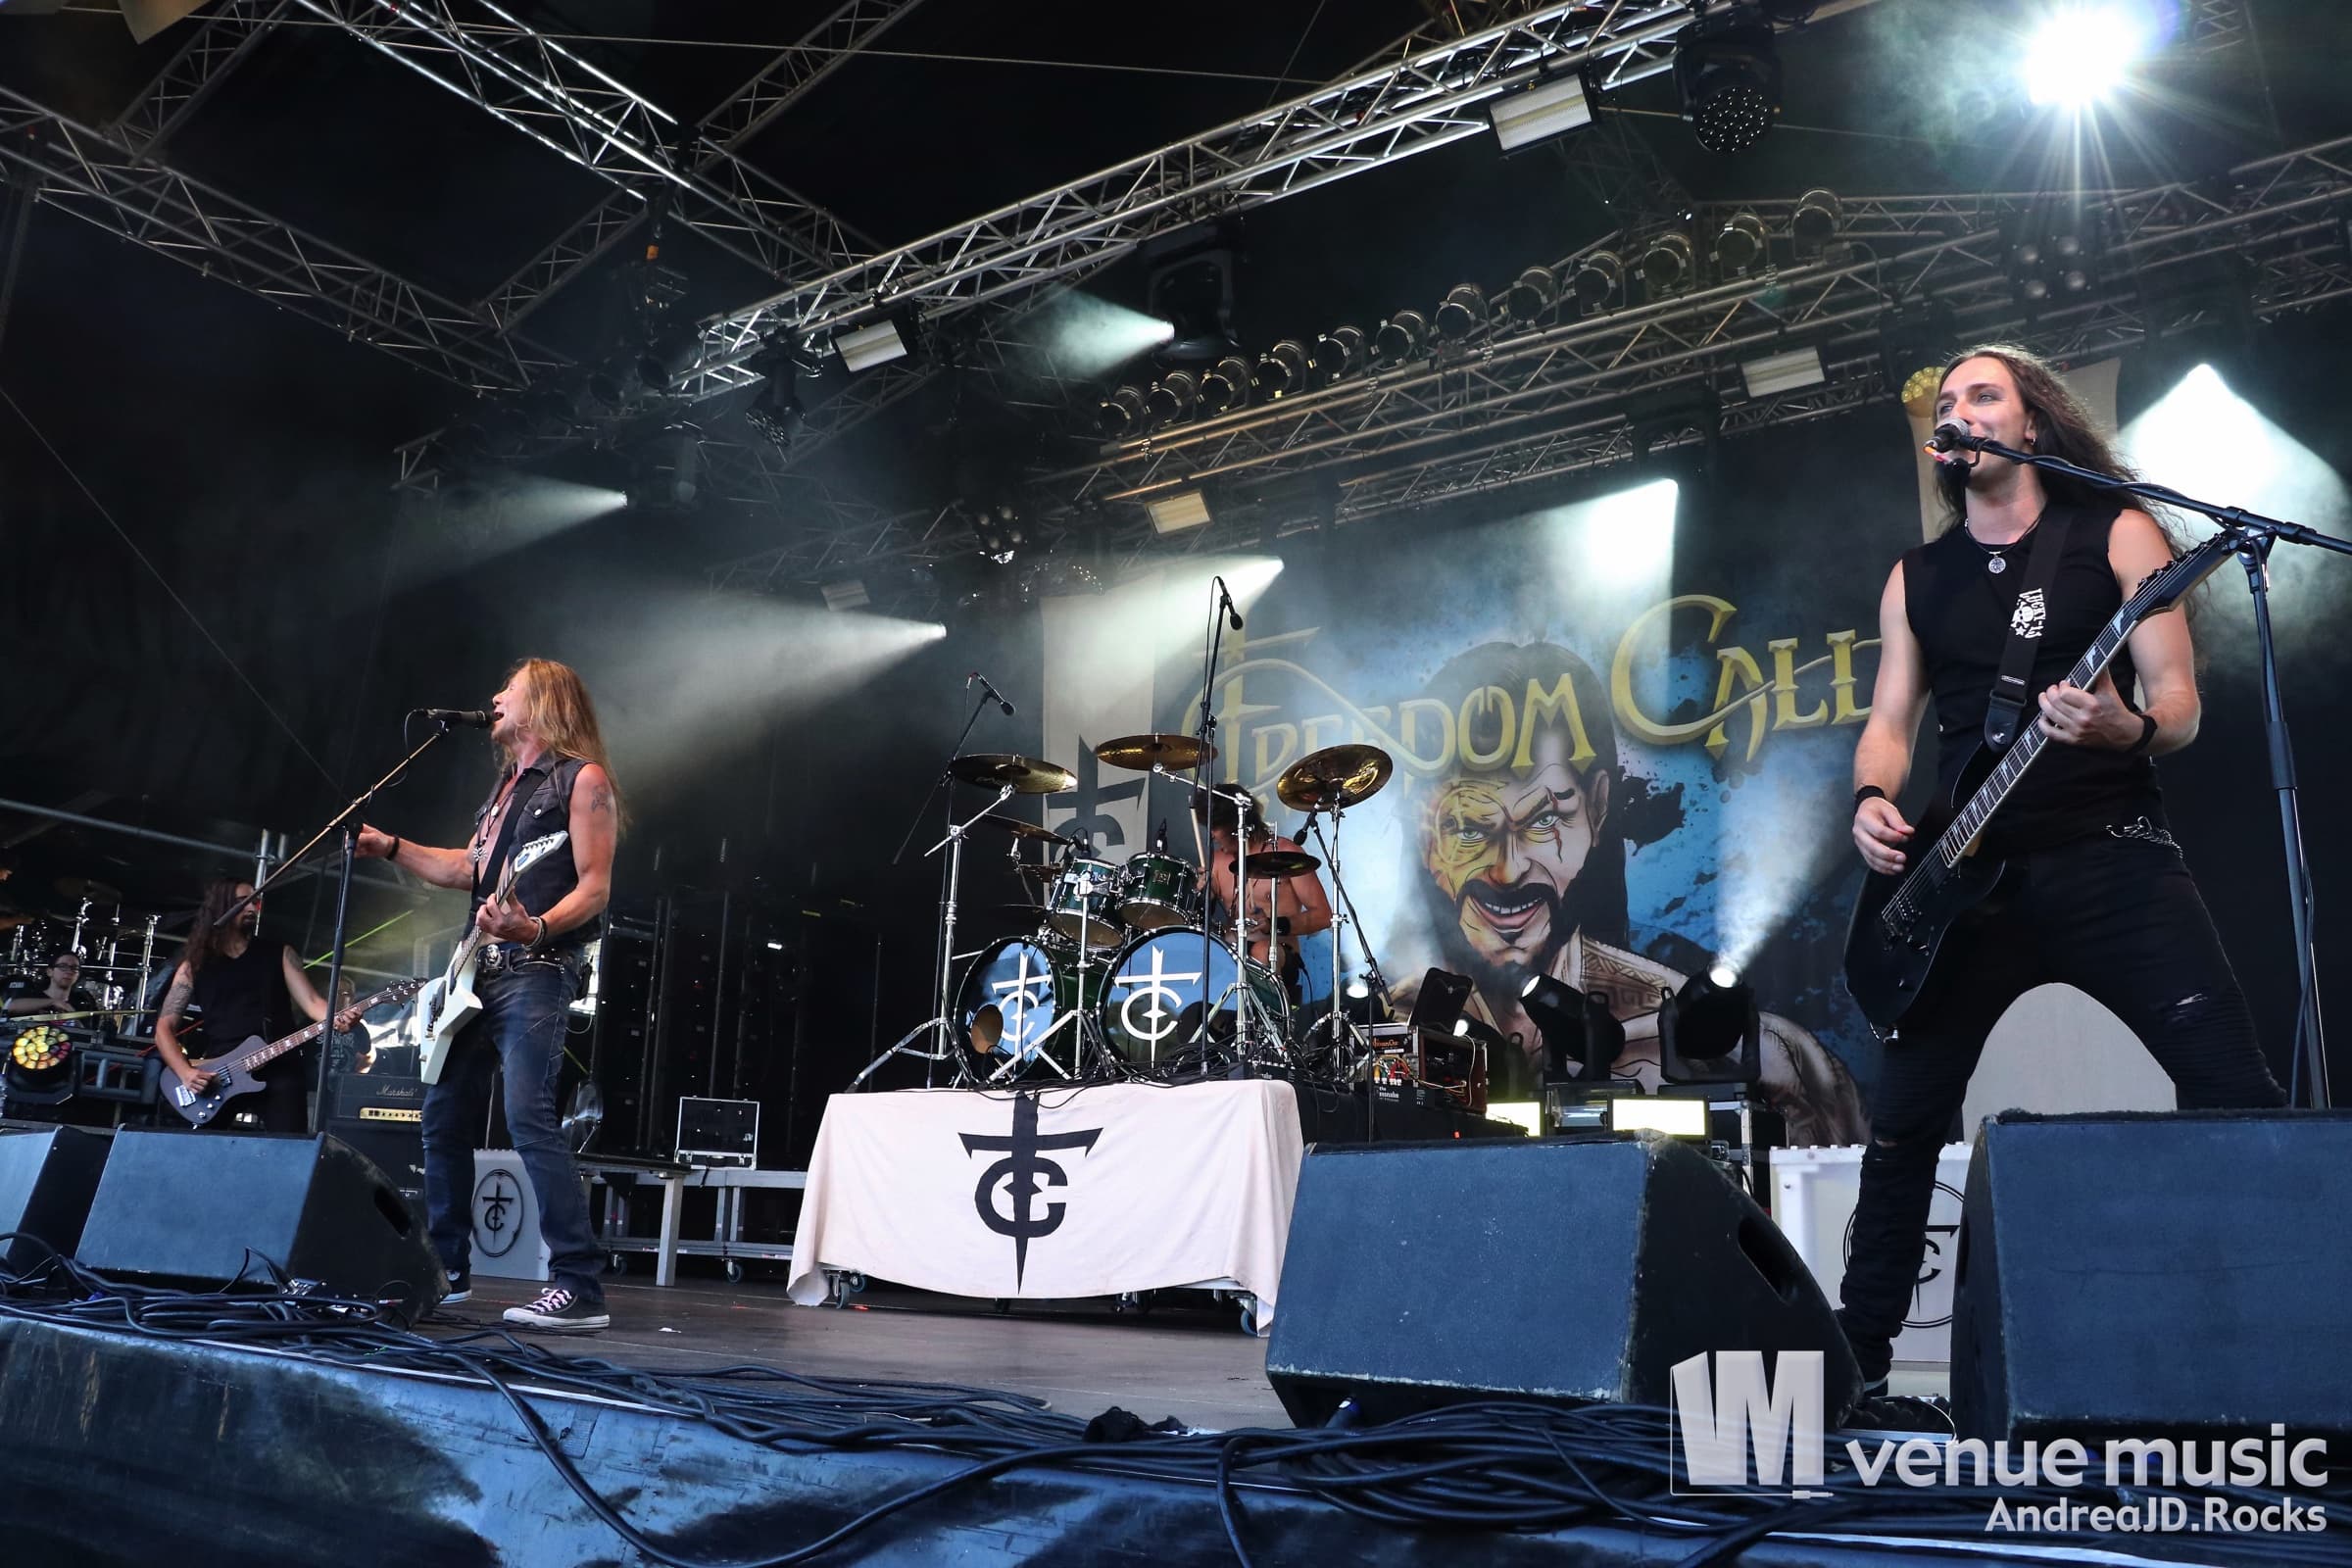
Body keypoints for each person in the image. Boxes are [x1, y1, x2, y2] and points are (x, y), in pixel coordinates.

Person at [1840, 343, 2286, 1398]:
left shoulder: (2119, 532)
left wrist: (2127, 727)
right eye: (1947, 401)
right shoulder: (1918, 576)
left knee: (2234, 1087)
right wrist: (1869, 798)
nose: (1958, 410)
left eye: (1982, 394)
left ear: (2032, 422)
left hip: (2107, 854)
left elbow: (2178, 705)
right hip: (1959, 883)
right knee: (1901, 1130)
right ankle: (1854, 1369)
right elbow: (1891, 721)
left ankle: (2274, 1343)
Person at [1397, 641, 1863, 1142]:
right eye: (1470, 829)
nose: (1508, 871)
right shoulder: (1374, 1037)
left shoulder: (1757, 1053)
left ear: (1598, 808)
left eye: (1545, 819)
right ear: (1427, 837)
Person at [356, 658, 619, 1333]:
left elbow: (594, 885)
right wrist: (390, 846)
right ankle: (446, 1268)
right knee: (443, 1117)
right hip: (475, 971)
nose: (495, 697)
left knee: (529, 1117)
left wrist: (534, 926)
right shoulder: (506, 788)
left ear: (543, 703)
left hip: (538, 967)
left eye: (510, 690)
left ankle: (579, 1285)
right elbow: (467, 868)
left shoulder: (583, 779)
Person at [153, 881, 360, 1133]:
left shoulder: (280, 953)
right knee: (204, 1147)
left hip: (279, 1065)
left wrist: (338, 1017)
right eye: (243, 902)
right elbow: (164, 1028)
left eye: (255, 901)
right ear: (222, 906)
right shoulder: (194, 965)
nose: (252, 908)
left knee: (289, 1145)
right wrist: (185, 1072)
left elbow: (313, 1003)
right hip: (220, 1073)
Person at [1200, 796, 1335, 1014]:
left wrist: (1275, 925)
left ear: (1235, 826)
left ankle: (1268, 1025)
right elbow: (1199, 915)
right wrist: (1201, 892)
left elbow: (1323, 915)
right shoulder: (1216, 861)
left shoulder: (1285, 851)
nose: (1212, 835)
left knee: (1262, 951)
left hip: (1277, 952)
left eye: (1216, 827)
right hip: (1230, 953)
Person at [3, 951, 100, 1018]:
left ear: (78, 975)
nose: (69, 971)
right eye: (63, 966)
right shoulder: (32, 995)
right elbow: (10, 1007)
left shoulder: (83, 1001)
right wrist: (54, 1002)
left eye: (74, 968)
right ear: (50, 972)